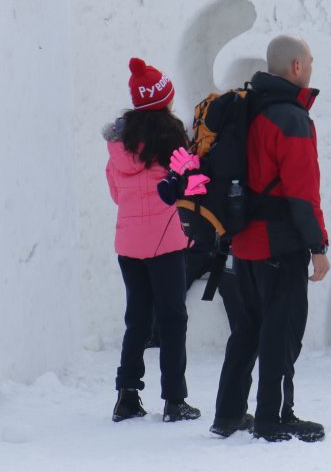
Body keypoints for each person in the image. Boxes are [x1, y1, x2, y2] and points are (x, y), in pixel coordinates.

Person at [210, 35, 330, 443]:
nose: (311, 68)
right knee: (281, 332)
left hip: (243, 241)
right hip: (280, 244)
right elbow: (302, 192)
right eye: (310, 62)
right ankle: (274, 417)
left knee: (247, 330)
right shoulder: (291, 118)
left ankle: (227, 414)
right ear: (296, 67)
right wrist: (318, 247)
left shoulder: (249, 105)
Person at [104, 58, 201, 423]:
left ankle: (126, 397)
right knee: (173, 319)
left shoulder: (118, 147)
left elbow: (116, 194)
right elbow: (190, 187)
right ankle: (175, 401)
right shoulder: (175, 142)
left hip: (129, 246)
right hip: (167, 243)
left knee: (138, 321)